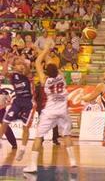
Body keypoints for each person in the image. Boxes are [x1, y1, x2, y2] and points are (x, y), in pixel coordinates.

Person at [23, 43, 77, 173]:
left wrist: (43, 49)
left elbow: (37, 62)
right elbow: (50, 61)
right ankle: (73, 160)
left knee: (38, 137)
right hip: (63, 111)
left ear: (46, 71)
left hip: (50, 111)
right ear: (56, 69)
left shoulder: (44, 80)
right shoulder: (62, 76)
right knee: (67, 135)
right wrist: (48, 49)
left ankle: (32, 165)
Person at [0, 55, 35, 161]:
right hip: (17, 102)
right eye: (18, 65)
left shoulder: (27, 74)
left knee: (25, 127)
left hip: (28, 102)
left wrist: (22, 62)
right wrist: (6, 61)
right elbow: (4, 73)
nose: (20, 66)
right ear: (14, 67)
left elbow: (28, 70)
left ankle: (22, 150)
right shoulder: (13, 75)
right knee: (5, 122)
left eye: (21, 64)